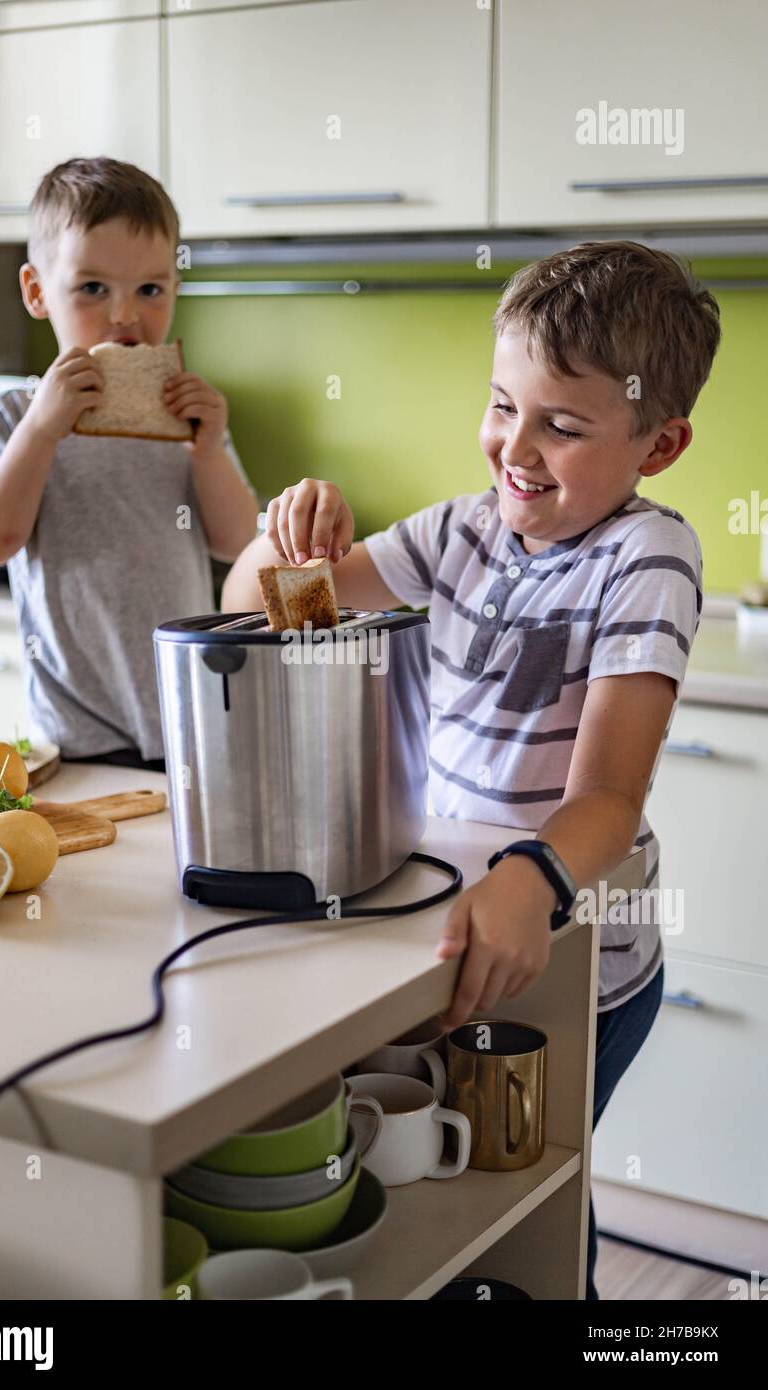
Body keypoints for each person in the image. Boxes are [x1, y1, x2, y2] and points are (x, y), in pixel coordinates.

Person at [222, 241, 721, 1299]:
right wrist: (281, 533)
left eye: (562, 425)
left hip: (571, 961)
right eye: (502, 406)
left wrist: (529, 879)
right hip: (448, 933)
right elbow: (257, 611)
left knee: (526, 1195)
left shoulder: (646, 556)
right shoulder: (457, 532)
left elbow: (605, 801)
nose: (516, 448)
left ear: (658, 443)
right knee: (452, 1193)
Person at [0, 157, 258, 771]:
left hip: (188, 715)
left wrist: (206, 450)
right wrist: (42, 430)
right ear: (37, 292)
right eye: (93, 288)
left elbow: (234, 543)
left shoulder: (185, 417)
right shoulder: (15, 414)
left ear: (174, 290)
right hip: (75, 735)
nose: (124, 315)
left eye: (149, 289)